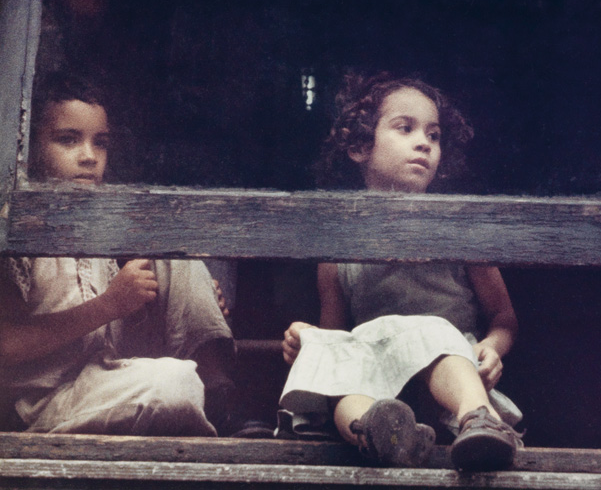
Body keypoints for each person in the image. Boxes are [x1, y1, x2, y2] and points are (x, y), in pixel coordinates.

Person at [278, 72, 523, 471]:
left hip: (446, 378)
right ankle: (374, 432)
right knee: (337, 363)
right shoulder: (338, 245)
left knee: (429, 332)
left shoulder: (460, 227)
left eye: (434, 134)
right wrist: (308, 341)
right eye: (405, 128)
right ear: (360, 146)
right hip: (377, 378)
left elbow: (504, 316)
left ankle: (479, 419)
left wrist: (493, 346)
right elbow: (337, 333)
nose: (424, 142)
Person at [0, 72, 252, 437]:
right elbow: (5, 345)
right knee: (174, 384)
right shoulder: (17, 228)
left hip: (105, 379)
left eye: (99, 143)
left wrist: (191, 299)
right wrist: (110, 304)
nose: (89, 157)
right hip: (39, 403)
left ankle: (218, 395)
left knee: (174, 254)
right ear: (30, 146)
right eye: (68, 140)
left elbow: (105, 333)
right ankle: (203, 396)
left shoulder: (99, 226)